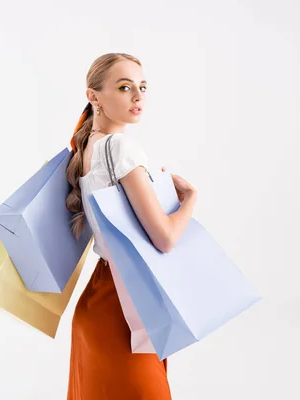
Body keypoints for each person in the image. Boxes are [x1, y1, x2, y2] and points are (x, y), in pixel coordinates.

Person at [65, 53, 198, 399]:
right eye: (124, 87)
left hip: (98, 299)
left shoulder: (84, 149)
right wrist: (190, 200)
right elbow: (165, 238)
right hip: (126, 307)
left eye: (142, 87)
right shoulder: (121, 148)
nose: (137, 96)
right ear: (93, 96)